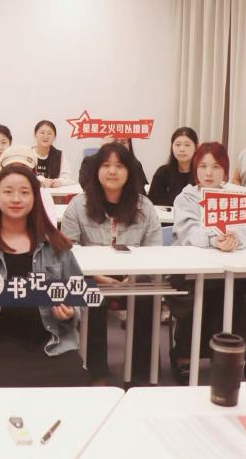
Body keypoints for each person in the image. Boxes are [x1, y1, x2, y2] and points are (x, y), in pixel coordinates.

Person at [0, 163, 89, 387]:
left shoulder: (55, 244)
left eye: (24, 192)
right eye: (8, 191)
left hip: (51, 341)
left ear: (35, 198)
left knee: (74, 382)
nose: (16, 199)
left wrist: (70, 313)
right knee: (10, 384)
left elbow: (77, 292)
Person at [62, 143, 161, 383]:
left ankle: (139, 374)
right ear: (96, 170)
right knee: (91, 295)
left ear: (129, 171)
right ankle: (97, 373)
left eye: (119, 166)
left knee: (147, 296)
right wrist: (94, 275)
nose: (112, 171)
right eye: (106, 165)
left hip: (134, 276)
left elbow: (155, 250)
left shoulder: (144, 206)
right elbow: (67, 250)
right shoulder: (78, 205)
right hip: (92, 276)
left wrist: (133, 275)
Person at [172, 142, 246, 384]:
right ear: (195, 169)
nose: (209, 173)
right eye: (203, 166)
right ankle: (188, 352)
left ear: (225, 170)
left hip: (228, 269)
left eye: (215, 167)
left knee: (230, 292)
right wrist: (214, 239)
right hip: (191, 271)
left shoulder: (234, 196)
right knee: (207, 294)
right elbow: (188, 232)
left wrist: (235, 240)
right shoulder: (186, 198)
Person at [147, 127, 199, 207]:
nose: (182, 149)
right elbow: (152, 201)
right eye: (178, 145)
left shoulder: (201, 173)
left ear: (196, 147)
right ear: (172, 146)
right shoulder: (163, 172)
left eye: (187, 145)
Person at [79, 136, 148, 192]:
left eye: (123, 142)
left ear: (129, 145)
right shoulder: (90, 162)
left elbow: (140, 192)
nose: (118, 146)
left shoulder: (135, 164)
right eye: (114, 142)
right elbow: (87, 188)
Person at [32, 120, 73, 187]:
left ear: (54, 137)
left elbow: (67, 177)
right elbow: (25, 176)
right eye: (42, 133)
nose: (46, 136)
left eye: (49, 133)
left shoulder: (59, 155)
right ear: (35, 134)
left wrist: (59, 182)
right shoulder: (28, 154)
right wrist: (40, 181)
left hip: (54, 192)